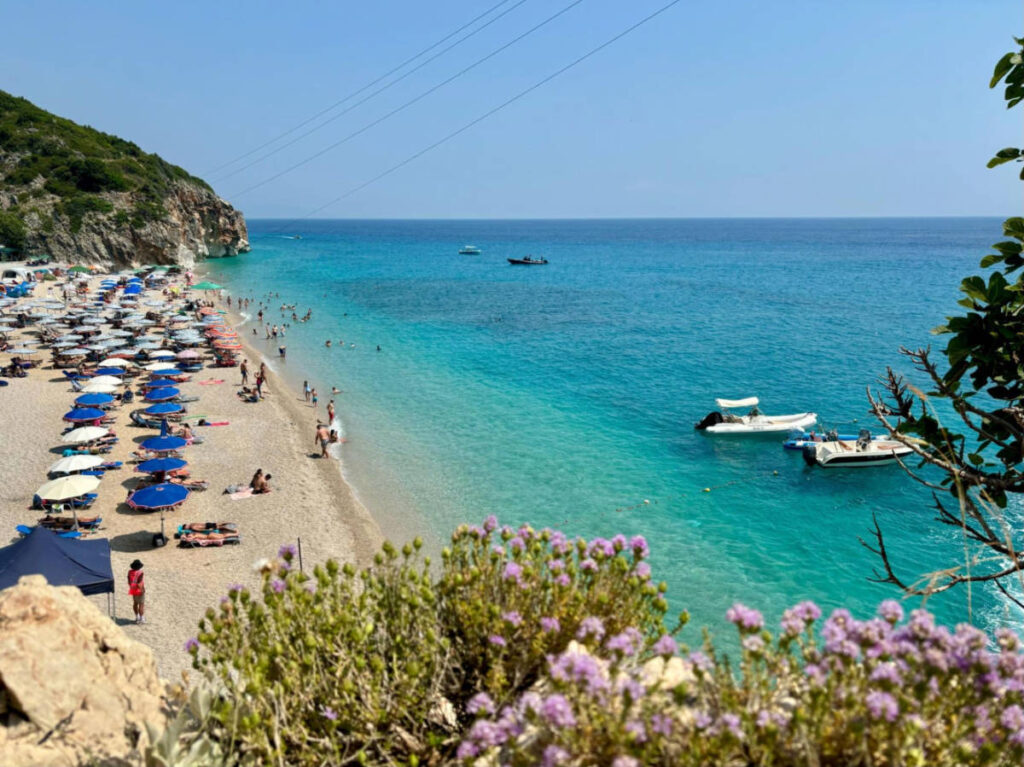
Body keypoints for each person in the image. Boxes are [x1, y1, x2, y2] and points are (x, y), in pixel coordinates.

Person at [128, 560, 146, 624]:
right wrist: (142, 590)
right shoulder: (140, 573)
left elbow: (129, 581)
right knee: (141, 605)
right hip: (139, 590)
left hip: (133, 589)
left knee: (135, 603)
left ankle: (137, 617)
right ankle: (142, 618)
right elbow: (139, 583)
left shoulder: (129, 572)